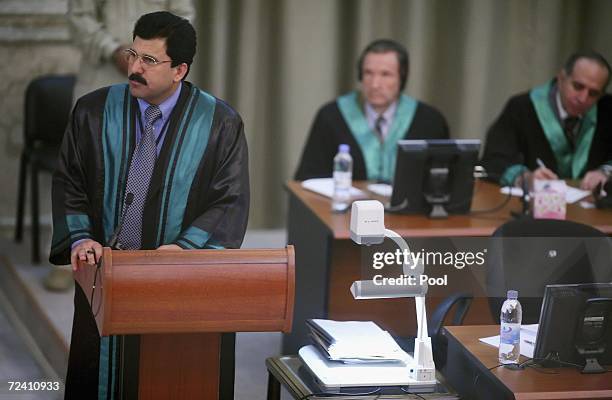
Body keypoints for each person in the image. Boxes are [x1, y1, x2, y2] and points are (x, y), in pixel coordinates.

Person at [49, 11, 249, 398]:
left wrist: (183, 249)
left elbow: (229, 198)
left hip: (177, 281)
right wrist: (81, 238)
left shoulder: (220, 124)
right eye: (133, 54)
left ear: (180, 70)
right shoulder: (93, 111)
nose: (133, 67)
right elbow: (69, 180)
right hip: (104, 273)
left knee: (171, 379)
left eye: (149, 61)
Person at [44, 0, 195, 292]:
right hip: (101, 72)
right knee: (83, 165)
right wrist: (112, 49)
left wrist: (157, 54)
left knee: (155, 159)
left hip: (157, 75)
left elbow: (184, 16)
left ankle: (144, 254)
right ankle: (72, 256)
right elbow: (80, 17)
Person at [294, 39, 449, 183]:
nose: (375, 84)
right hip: (345, 210)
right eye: (368, 73)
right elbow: (308, 180)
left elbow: (443, 180)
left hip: (409, 212)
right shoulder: (331, 117)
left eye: (385, 74)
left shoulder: (429, 121)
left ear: (402, 78)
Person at [480, 50, 612, 190]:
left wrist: (606, 171)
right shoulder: (522, 107)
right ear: (561, 78)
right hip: (532, 205)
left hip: (588, 207)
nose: (583, 98)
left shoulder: (607, 109)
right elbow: (493, 160)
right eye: (578, 86)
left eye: (593, 93)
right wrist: (523, 178)